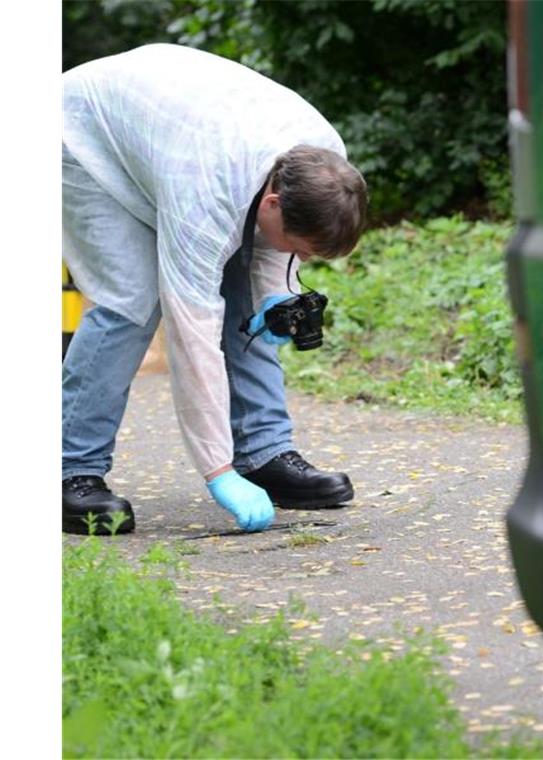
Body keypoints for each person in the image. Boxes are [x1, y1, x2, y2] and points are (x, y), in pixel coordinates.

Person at [62, 44, 369, 535]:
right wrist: (217, 472)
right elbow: (193, 340)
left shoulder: (322, 156)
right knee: (133, 301)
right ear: (272, 201)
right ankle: (69, 469)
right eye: (304, 251)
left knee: (249, 290)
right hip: (85, 135)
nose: (305, 262)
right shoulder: (206, 197)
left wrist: (276, 297)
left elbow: (274, 250)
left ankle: (264, 452)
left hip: (173, 135)